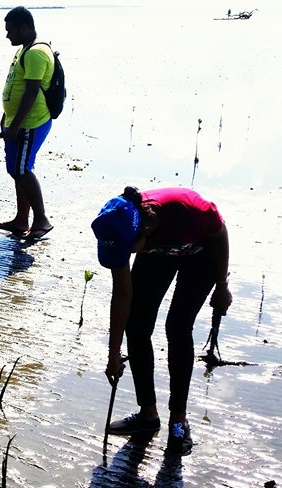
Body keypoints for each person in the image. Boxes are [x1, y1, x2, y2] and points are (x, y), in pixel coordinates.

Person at [92, 186, 233, 455]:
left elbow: (220, 233)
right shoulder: (119, 228)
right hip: (158, 252)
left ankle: (178, 420)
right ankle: (148, 416)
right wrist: (113, 353)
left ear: (143, 232)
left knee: (178, 327)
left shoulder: (189, 213)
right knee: (136, 325)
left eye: (128, 251)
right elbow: (122, 295)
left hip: (201, 252)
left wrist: (221, 285)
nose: (126, 257)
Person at [0, 6, 55, 240]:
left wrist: (16, 125)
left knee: (21, 169)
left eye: (10, 30)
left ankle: (41, 219)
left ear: (25, 28)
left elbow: (31, 92)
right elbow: (17, 86)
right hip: (18, 121)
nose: (7, 35)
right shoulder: (24, 50)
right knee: (17, 170)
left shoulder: (36, 53)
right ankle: (21, 220)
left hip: (31, 122)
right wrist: (6, 117)